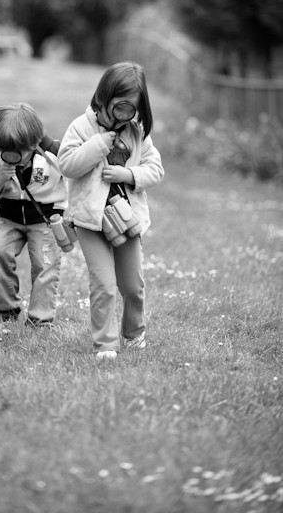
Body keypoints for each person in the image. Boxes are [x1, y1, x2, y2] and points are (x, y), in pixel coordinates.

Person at [58, 62, 164, 359]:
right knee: (103, 284)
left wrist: (129, 176)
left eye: (131, 109)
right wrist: (97, 146)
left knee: (133, 285)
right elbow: (66, 165)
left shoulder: (137, 132)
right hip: (91, 222)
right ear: (104, 97)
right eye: (120, 106)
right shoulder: (81, 127)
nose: (124, 115)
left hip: (126, 220)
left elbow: (155, 169)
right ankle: (105, 345)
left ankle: (134, 333)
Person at [0, 102, 68, 326]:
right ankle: (6, 310)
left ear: (34, 143)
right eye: (5, 152)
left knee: (45, 265)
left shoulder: (53, 152)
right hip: (9, 218)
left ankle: (40, 319)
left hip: (46, 220)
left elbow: (75, 176)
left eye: (19, 154)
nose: (11, 158)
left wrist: (64, 213)